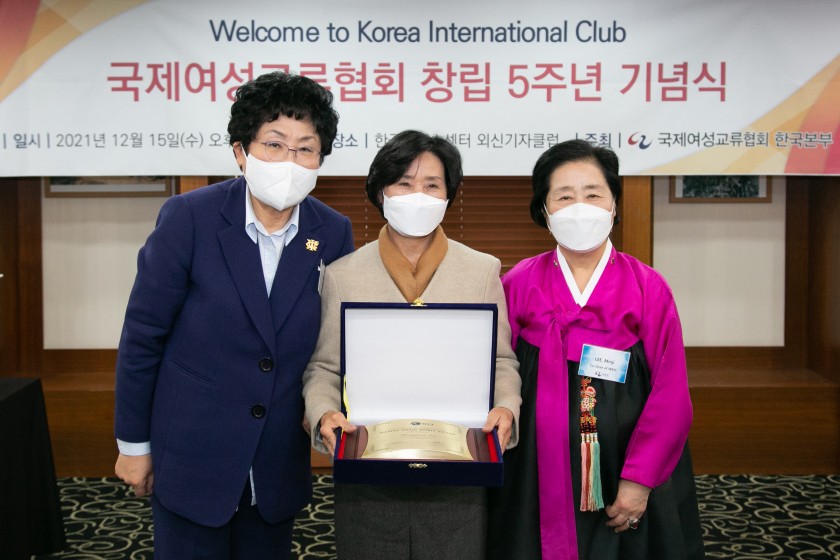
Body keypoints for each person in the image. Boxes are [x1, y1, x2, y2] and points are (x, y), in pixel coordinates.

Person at [113, 71, 354, 559]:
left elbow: (334, 344)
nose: (290, 161)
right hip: (192, 453)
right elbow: (143, 337)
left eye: (306, 149)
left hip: (276, 461)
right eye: (274, 144)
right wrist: (133, 446)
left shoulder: (332, 231)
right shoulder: (190, 217)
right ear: (241, 151)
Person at [302, 130, 522, 560]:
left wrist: (506, 407)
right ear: (380, 190)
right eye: (404, 183)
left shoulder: (481, 270)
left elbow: (501, 360)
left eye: (431, 185)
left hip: (458, 466)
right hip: (368, 469)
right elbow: (324, 367)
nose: (417, 195)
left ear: (448, 195)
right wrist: (323, 413)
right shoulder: (342, 274)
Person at [487, 139, 705, 560]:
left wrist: (640, 479)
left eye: (593, 195)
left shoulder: (648, 288)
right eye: (564, 197)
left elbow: (671, 394)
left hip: (624, 467)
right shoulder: (519, 283)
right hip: (533, 471)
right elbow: (498, 370)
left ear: (614, 205)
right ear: (544, 210)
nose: (580, 208)